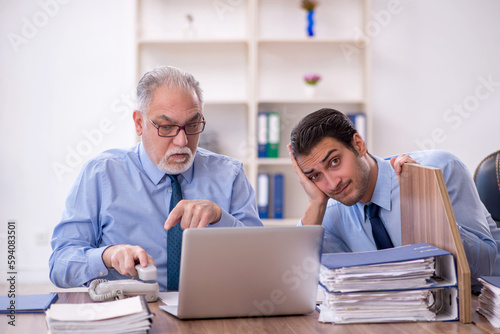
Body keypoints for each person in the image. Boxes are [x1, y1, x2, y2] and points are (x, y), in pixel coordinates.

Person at [49, 66, 263, 291]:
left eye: (192, 125)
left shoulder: (230, 175)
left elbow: (261, 261)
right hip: (133, 313)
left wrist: (220, 218)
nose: (182, 141)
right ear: (139, 123)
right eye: (167, 127)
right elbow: (60, 264)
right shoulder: (101, 174)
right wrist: (106, 256)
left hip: (213, 312)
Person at [288, 108, 499, 291]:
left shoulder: (440, 168)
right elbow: (292, 282)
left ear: (359, 144)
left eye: (334, 162)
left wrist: (427, 204)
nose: (332, 184)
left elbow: (481, 270)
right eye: (315, 176)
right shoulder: (332, 210)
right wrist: (315, 203)